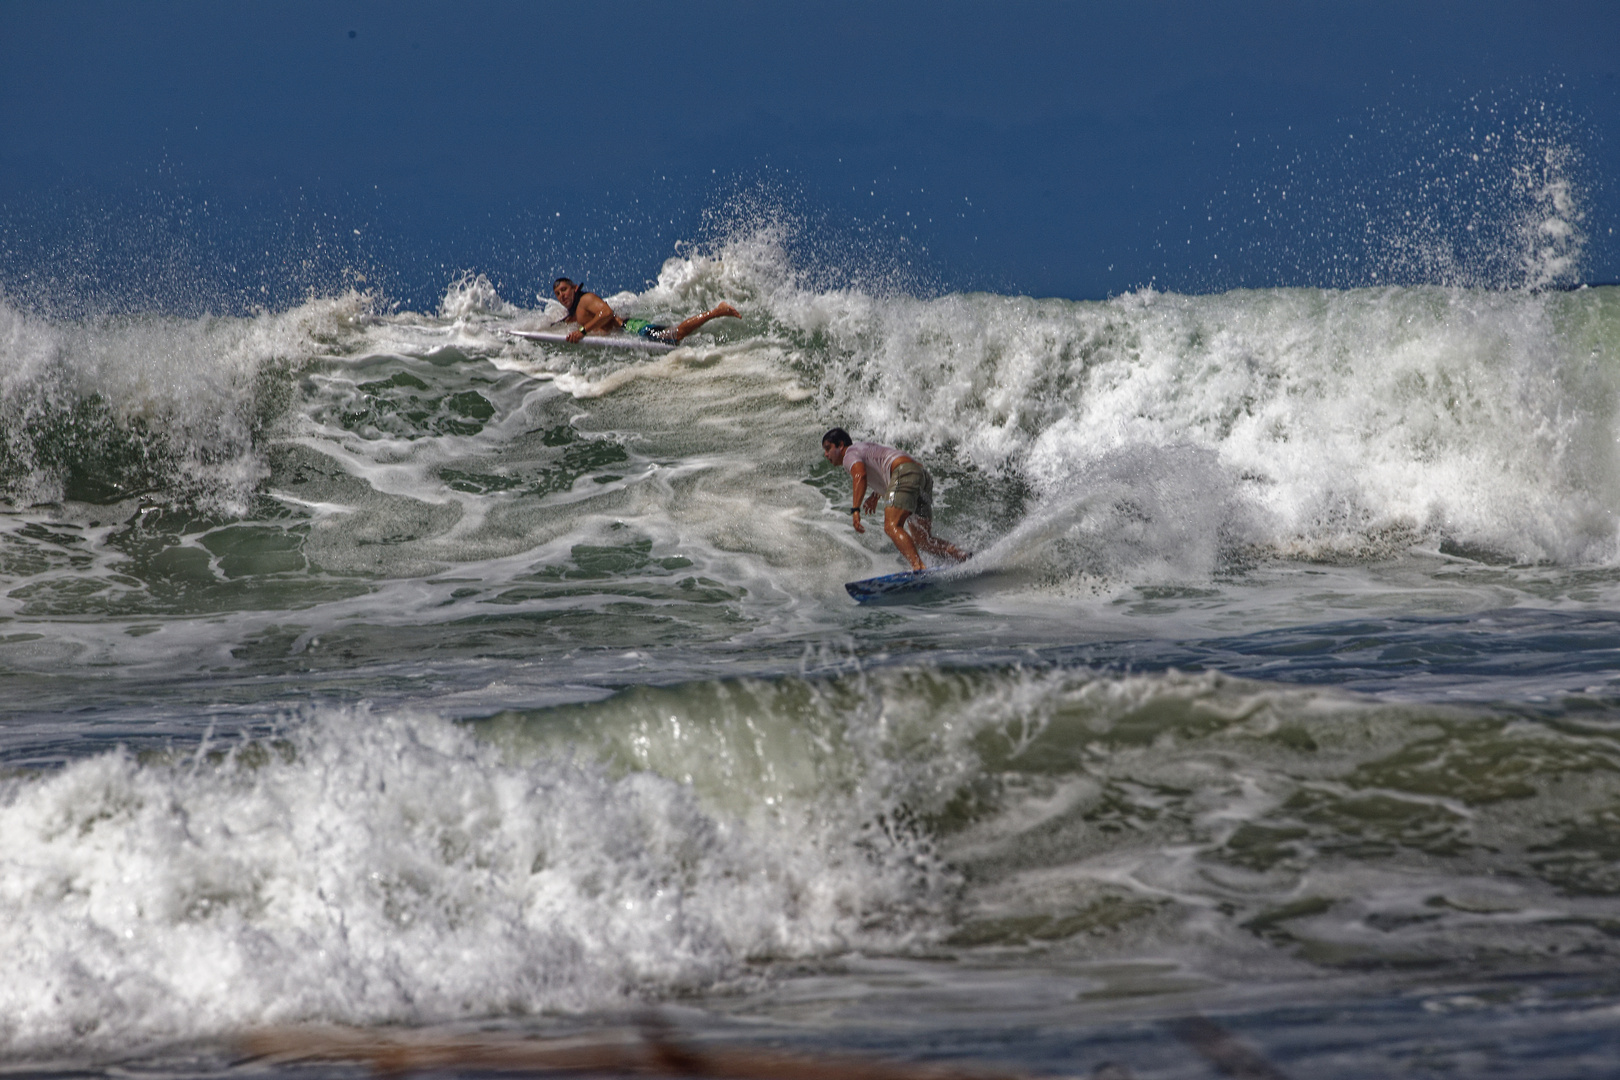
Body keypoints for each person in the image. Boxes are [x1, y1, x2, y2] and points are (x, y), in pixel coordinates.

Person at [821, 428, 969, 572]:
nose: (826, 454)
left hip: (904, 472)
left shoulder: (849, 454)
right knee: (923, 541)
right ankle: (964, 556)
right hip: (921, 476)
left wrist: (855, 509)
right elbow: (883, 465)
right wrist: (875, 495)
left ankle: (918, 568)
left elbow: (860, 475)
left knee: (891, 526)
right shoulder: (863, 448)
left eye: (828, 448)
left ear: (840, 445)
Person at [551, 277, 741, 345]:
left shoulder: (585, 299)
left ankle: (717, 311)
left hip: (631, 328)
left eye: (564, 290)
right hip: (626, 336)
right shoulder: (573, 316)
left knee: (676, 335)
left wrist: (582, 332)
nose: (562, 295)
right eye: (558, 294)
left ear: (575, 288)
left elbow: (607, 313)